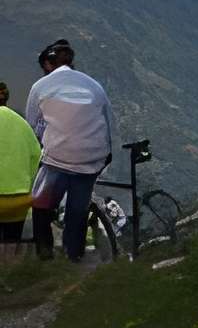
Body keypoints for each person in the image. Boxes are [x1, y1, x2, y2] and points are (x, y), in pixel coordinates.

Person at [23, 40, 113, 264]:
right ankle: (74, 255)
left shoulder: (41, 87)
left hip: (59, 159)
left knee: (41, 204)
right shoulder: (94, 86)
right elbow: (108, 122)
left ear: (47, 64)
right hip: (92, 159)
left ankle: (45, 254)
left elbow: (31, 126)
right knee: (78, 209)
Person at [0, 82, 40, 256]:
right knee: (10, 242)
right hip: (19, 202)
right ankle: (9, 272)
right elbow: (37, 158)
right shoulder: (22, 124)